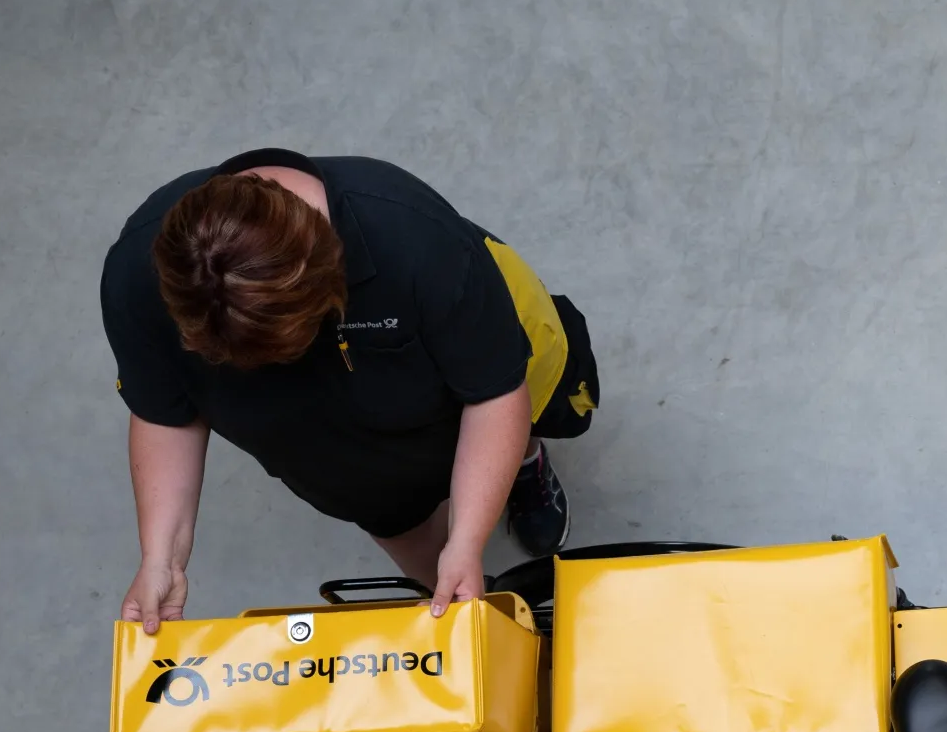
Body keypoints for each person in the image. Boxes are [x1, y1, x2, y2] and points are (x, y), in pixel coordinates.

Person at [102, 148, 601, 633]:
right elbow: (163, 412)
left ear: (329, 278)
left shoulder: (418, 240)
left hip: (454, 380)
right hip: (327, 448)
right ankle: (452, 588)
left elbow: (493, 392)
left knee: (522, 409)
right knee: (403, 529)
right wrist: (161, 559)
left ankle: (524, 463)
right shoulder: (136, 273)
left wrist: (468, 539)